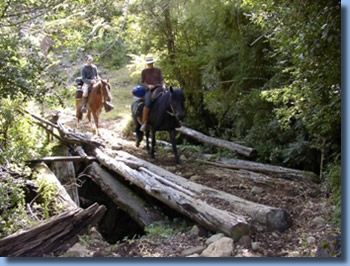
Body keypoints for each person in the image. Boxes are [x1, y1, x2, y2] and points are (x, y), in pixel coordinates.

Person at [140, 54, 166, 132]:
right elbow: (142, 82)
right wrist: (148, 86)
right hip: (149, 90)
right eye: (149, 63)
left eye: (151, 63)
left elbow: (161, 79)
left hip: (159, 87)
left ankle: (172, 119)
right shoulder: (144, 72)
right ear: (147, 64)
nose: (150, 64)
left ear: (153, 63)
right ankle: (144, 123)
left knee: (168, 98)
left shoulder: (158, 70)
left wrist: (163, 85)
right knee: (147, 103)